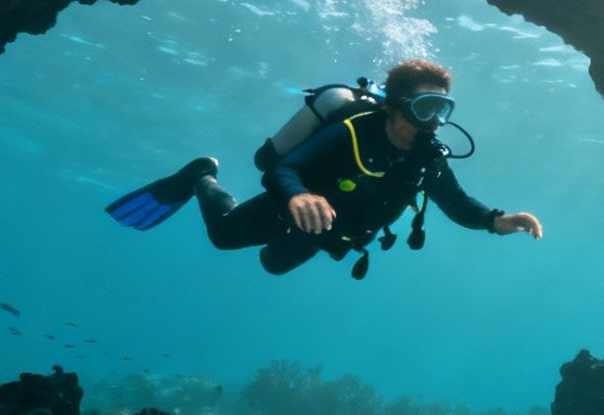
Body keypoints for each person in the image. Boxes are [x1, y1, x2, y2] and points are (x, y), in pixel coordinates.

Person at [105, 59, 542, 276]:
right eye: (424, 107)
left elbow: (456, 203)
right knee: (221, 237)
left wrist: (496, 221)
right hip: (288, 209)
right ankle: (202, 175)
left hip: (330, 235)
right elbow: (282, 170)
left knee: (273, 267)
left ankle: (268, 232)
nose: (432, 122)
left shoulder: (426, 155)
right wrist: (298, 195)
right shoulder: (353, 130)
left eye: (441, 109)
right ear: (394, 105)